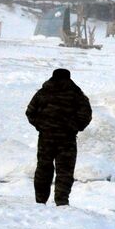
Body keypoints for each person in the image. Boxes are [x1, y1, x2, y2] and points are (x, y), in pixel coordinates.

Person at [25, 68, 93, 206]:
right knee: (65, 171)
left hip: (46, 138)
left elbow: (30, 112)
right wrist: (75, 127)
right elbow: (86, 114)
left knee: (43, 168)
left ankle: (40, 201)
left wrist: (41, 126)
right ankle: (61, 202)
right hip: (67, 139)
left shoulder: (43, 93)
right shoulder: (76, 94)